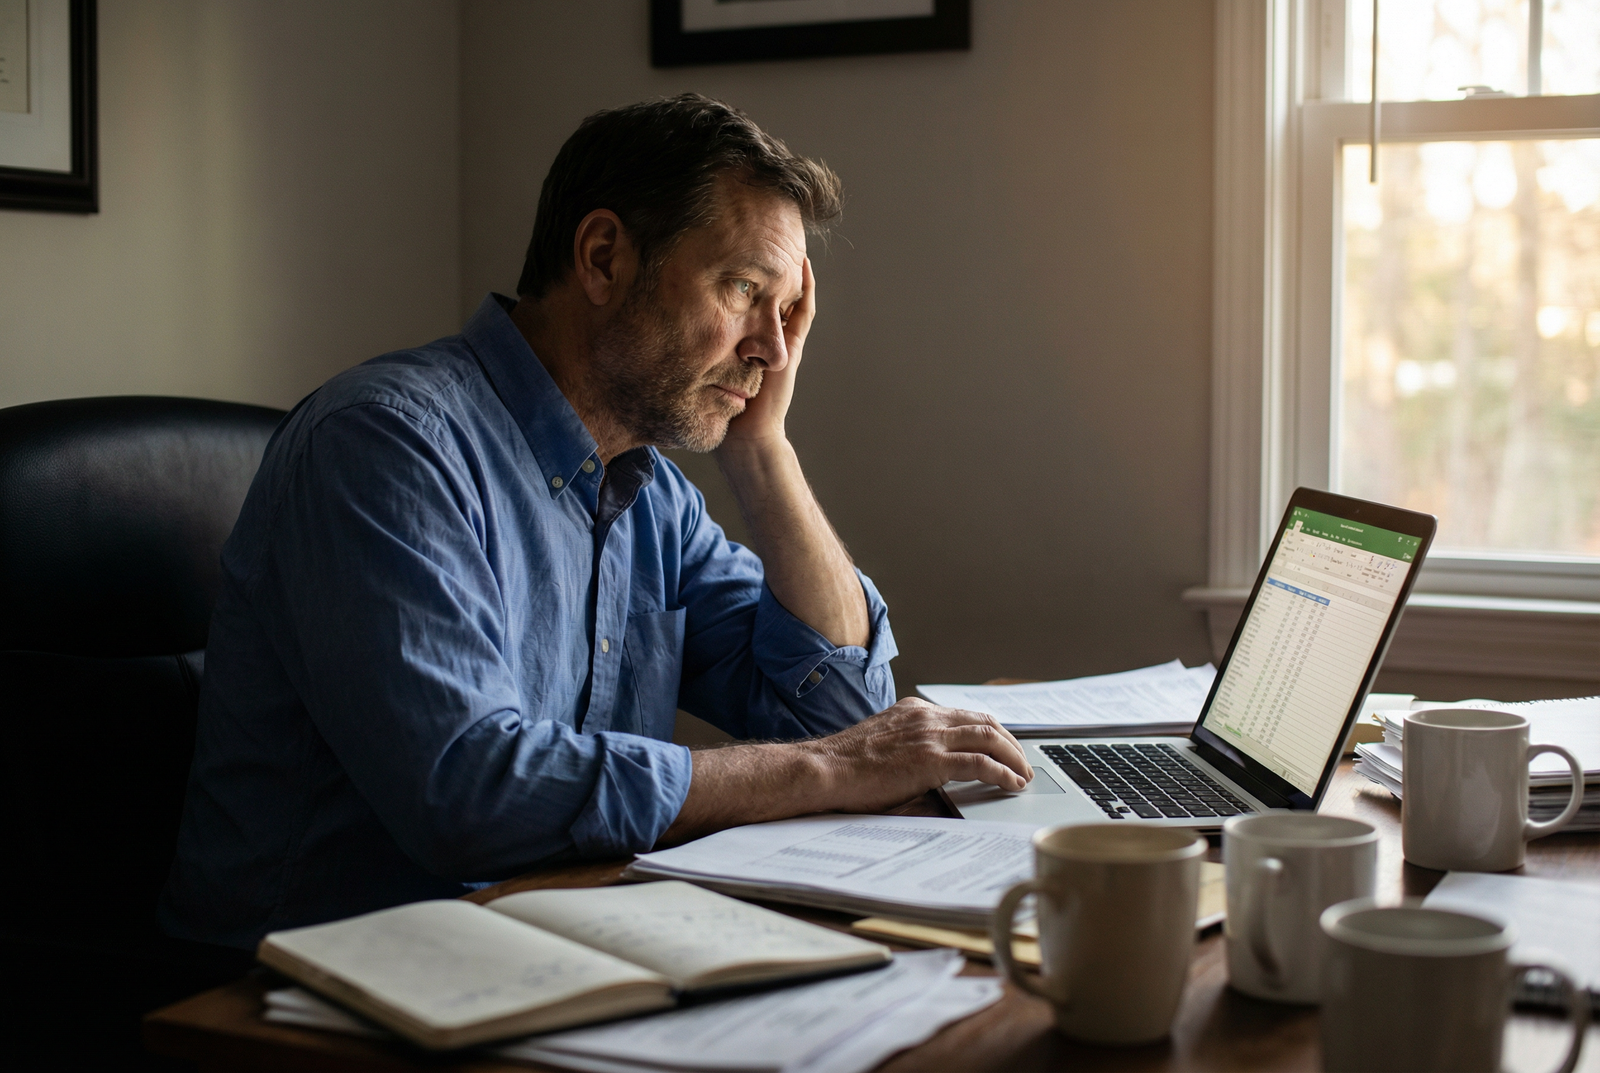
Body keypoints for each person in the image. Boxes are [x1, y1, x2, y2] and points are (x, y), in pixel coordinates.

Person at [161, 94, 1032, 949]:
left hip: (553, 946)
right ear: (605, 258)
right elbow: (469, 792)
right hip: (299, 1003)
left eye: (788, 313)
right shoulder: (385, 445)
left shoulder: (647, 491)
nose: (772, 346)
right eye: (743, 290)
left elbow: (843, 707)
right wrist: (832, 768)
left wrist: (763, 450)